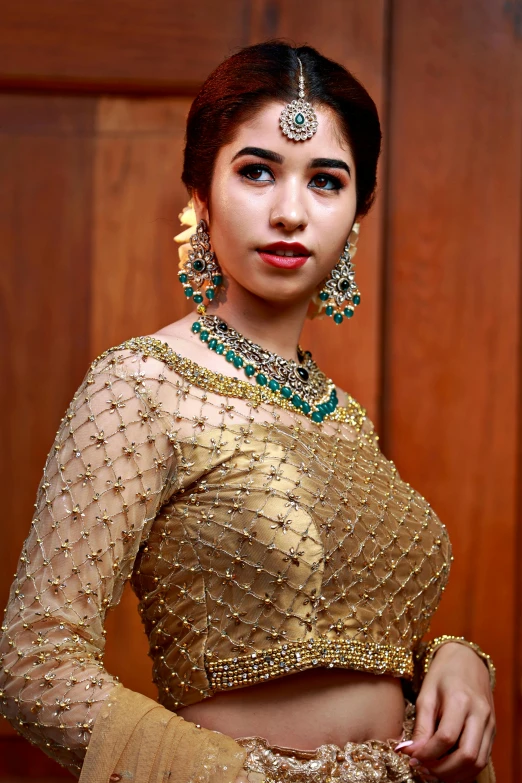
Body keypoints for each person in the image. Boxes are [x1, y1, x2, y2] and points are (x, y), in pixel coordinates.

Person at [0, 41, 496, 783]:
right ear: (200, 195)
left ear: (356, 217)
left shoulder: (344, 418)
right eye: (257, 171)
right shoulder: (140, 385)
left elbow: (350, 631)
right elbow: (33, 661)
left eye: (326, 181)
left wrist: (455, 661)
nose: (291, 211)